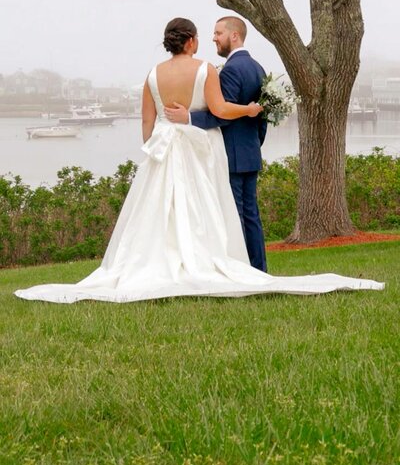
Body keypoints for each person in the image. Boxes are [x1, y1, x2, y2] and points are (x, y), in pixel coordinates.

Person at [14, 18, 384, 303]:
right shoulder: (206, 68)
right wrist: (252, 109)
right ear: (190, 41)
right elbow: (220, 108)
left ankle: (156, 262)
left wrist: (156, 145)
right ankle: (209, 260)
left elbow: (146, 120)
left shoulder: (152, 74)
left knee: (160, 208)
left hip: (163, 144)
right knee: (205, 203)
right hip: (197, 144)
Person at [165, 16, 267, 272]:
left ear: (234, 36)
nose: (214, 38)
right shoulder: (257, 67)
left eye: (218, 33)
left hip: (231, 153)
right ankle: (258, 268)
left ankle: (243, 270)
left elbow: (222, 113)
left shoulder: (231, 69)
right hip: (249, 152)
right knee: (251, 216)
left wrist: (188, 117)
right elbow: (261, 115)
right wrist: (254, 144)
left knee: (234, 217)